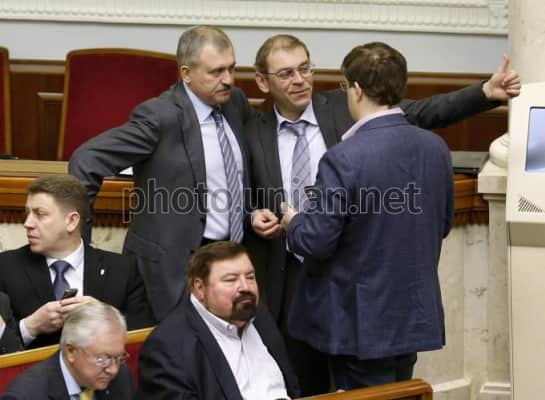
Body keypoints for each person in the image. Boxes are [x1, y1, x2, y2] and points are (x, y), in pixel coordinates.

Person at [246, 34, 520, 395]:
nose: (300, 80)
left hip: (354, 302)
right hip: (298, 287)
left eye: (305, 69)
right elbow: (235, 187)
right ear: (263, 81)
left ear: (356, 90)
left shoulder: (342, 124)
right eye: (286, 73)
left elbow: (424, 111)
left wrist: (294, 222)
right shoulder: (251, 128)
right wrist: (253, 214)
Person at [280, 41, 455, 389]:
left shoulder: (343, 158)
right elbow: (443, 224)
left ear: (356, 90)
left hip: (360, 325)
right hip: (412, 315)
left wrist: (293, 222)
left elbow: (315, 241)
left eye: (345, 86)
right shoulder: (436, 147)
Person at [68, 25, 253, 321]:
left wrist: (253, 212)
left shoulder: (235, 103)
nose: (228, 79)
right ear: (186, 74)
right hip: (173, 268)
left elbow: (240, 173)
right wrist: (80, 242)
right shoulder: (159, 116)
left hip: (229, 261)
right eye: (216, 72)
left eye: (231, 68)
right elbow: (86, 161)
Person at [0, 174, 154, 349]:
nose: (28, 223)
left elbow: (143, 340)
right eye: (27, 213)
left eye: (40, 214)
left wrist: (103, 317)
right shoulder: (5, 268)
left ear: (72, 221)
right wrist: (30, 326)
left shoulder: (123, 270)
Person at [136, 241, 299, 400]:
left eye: (250, 277)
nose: (245, 287)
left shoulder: (259, 316)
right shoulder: (167, 347)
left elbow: (292, 388)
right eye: (231, 280)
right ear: (200, 288)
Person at [2, 301, 135, 399]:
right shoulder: (26, 395)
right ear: (71, 351)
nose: (113, 370)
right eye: (103, 359)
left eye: (119, 358)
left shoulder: (122, 377)